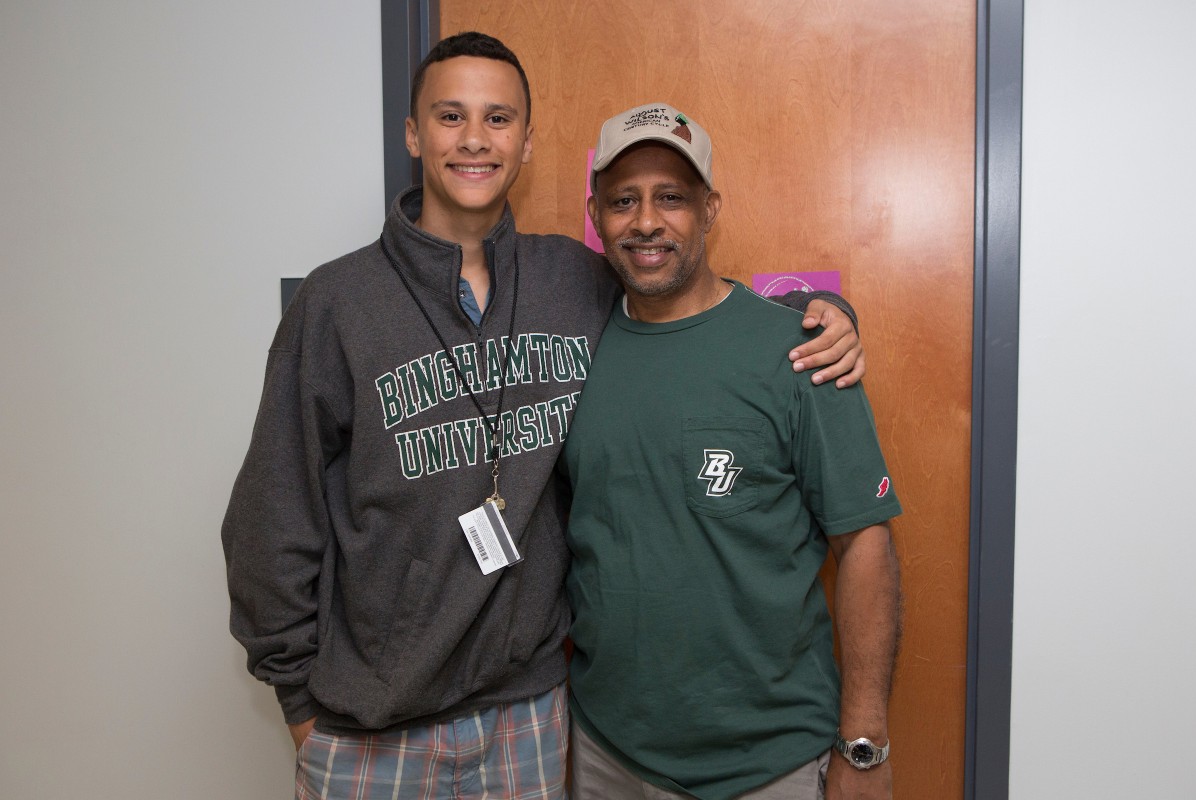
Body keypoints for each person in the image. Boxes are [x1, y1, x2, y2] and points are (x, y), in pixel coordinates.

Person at [222, 34, 864, 800]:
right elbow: (270, 515)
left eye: (497, 119)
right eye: (450, 115)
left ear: (526, 142)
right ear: (412, 133)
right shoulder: (336, 303)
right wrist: (300, 703)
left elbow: (678, 290)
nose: (472, 139)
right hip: (368, 729)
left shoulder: (571, 279)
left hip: (527, 713)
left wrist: (815, 315)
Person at [562, 103, 903, 800]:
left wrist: (863, 745)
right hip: (604, 754)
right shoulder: (571, 351)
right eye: (623, 200)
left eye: (672, 198)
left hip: (770, 765)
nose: (647, 222)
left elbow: (865, 546)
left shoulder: (801, 351)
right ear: (595, 214)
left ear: (710, 209)